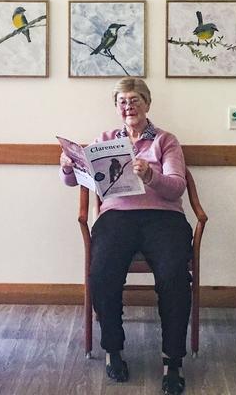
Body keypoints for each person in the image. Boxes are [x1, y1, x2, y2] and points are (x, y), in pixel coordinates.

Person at [59, 78, 192, 395]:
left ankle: (172, 359)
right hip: (117, 216)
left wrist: (150, 175)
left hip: (164, 217)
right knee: (102, 273)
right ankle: (113, 349)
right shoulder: (104, 140)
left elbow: (177, 186)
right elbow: (75, 182)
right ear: (116, 106)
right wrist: (67, 167)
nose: (128, 106)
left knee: (174, 275)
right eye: (122, 101)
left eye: (134, 100)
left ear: (147, 103)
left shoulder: (165, 141)